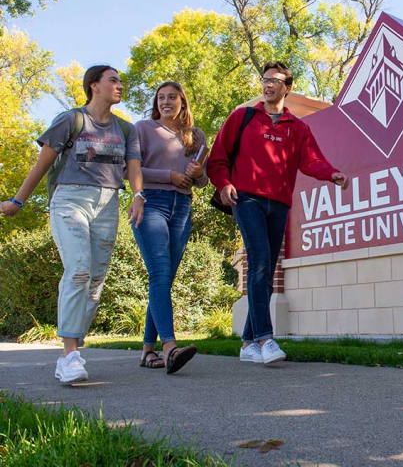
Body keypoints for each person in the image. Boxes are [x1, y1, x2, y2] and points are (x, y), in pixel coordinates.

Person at [0, 65, 145, 383]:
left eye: (120, 81)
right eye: (113, 80)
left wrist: (138, 195)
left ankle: (73, 347)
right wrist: (18, 201)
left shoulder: (126, 129)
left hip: (108, 204)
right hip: (69, 201)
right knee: (79, 268)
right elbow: (43, 164)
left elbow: (133, 167)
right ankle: (68, 356)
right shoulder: (71, 119)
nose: (120, 85)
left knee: (95, 281)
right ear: (94, 86)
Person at [207, 61, 349, 364]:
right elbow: (217, 158)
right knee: (258, 260)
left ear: (287, 87)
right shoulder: (242, 118)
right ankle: (265, 338)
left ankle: (247, 345)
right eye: (265, 79)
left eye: (275, 80)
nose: (268, 84)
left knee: (267, 268)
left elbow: (312, 161)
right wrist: (223, 184)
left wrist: (332, 174)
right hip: (246, 199)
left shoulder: (297, 127)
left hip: (280, 203)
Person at [132, 81, 206, 374]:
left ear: (182, 102)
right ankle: (170, 348)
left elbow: (203, 181)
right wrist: (170, 175)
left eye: (172, 97)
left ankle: (147, 351)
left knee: (164, 279)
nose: (166, 102)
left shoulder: (196, 136)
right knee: (160, 273)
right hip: (151, 203)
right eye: (161, 97)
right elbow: (131, 169)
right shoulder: (143, 129)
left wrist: (198, 173)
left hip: (182, 208)